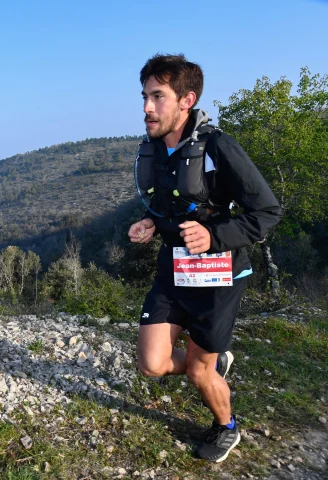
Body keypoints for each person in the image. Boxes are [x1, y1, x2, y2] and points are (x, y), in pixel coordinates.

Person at [128, 54, 282, 462]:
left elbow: (267, 212)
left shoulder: (218, 147)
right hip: (174, 271)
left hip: (218, 278)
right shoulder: (154, 150)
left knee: (198, 370)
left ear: (186, 99)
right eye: (144, 96)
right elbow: (169, 209)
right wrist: (148, 223)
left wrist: (213, 236)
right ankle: (215, 362)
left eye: (157, 96)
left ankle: (225, 427)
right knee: (151, 363)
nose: (146, 107)